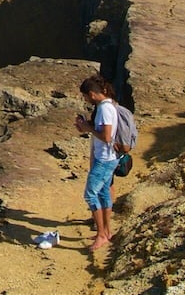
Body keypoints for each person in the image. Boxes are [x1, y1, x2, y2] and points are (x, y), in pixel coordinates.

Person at [71, 74, 120, 251]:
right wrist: (87, 126)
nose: (85, 99)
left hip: (104, 159)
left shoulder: (105, 109)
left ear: (92, 94)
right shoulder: (107, 106)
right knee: (104, 193)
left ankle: (101, 235)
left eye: (85, 96)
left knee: (90, 195)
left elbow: (106, 137)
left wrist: (88, 128)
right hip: (108, 157)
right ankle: (107, 231)